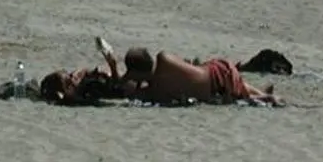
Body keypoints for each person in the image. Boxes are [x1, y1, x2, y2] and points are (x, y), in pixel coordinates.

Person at [116, 44, 281, 106]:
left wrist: (118, 71)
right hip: (216, 70)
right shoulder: (164, 59)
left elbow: (125, 89)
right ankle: (262, 93)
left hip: (217, 86)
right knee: (238, 85)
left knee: (238, 92)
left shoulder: (156, 91)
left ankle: (265, 97)